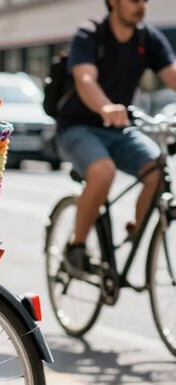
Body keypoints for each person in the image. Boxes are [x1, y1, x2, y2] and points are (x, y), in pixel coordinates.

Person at [57, 0, 176, 274]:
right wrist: (105, 107)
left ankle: (136, 228)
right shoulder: (90, 34)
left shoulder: (148, 38)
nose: (141, 5)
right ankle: (76, 247)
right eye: (134, 0)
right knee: (103, 171)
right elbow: (85, 79)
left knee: (157, 169)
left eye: (145, 0)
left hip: (119, 130)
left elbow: (172, 74)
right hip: (77, 127)